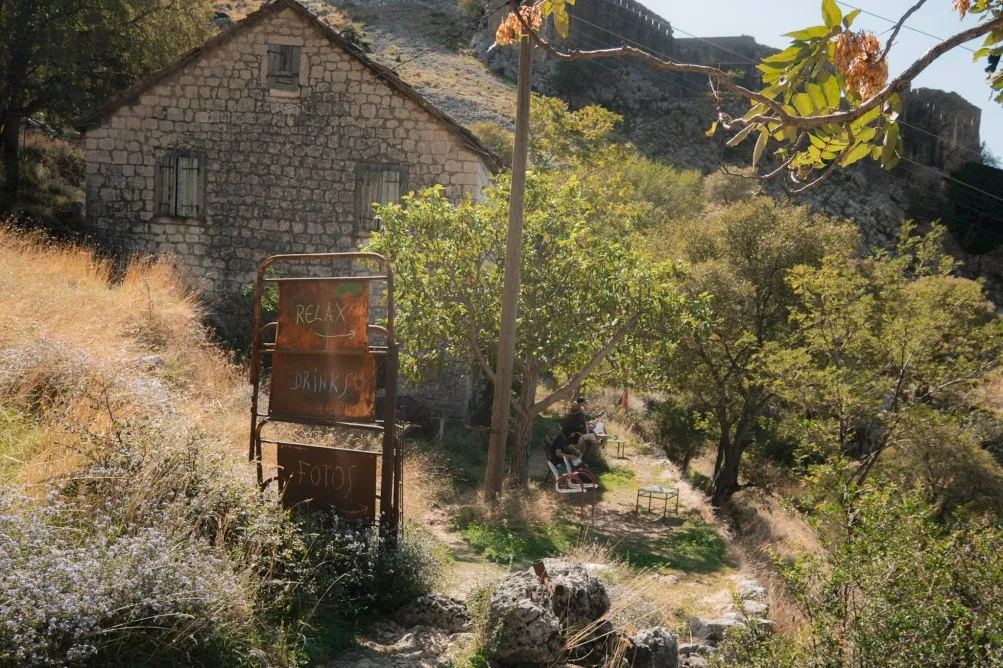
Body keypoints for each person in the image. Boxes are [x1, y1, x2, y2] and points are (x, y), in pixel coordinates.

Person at [563, 396, 600, 462]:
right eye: (584, 402)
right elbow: (577, 427)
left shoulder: (571, 415)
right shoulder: (578, 415)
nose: (585, 404)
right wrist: (588, 427)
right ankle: (591, 457)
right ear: (580, 405)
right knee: (593, 436)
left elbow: (580, 425)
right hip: (576, 438)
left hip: (574, 436)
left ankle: (590, 456)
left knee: (592, 434)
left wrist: (587, 425)